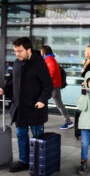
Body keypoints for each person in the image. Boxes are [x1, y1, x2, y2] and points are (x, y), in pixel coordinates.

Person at [0, 37, 53, 172]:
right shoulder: (17, 63)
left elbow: (48, 85)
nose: (17, 54)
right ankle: (24, 160)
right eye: (15, 51)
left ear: (28, 49)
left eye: (20, 51)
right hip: (20, 109)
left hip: (35, 108)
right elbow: (13, 83)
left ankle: (37, 161)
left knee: (37, 137)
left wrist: (42, 100)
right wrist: (4, 89)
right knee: (21, 134)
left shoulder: (39, 63)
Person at [41, 45, 73, 129]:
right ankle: (68, 121)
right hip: (54, 86)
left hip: (52, 86)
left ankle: (39, 123)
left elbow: (51, 72)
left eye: (41, 51)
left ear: (44, 51)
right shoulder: (50, 59)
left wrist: (44, 80)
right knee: (58, 104)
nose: (41, 53)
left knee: (42, 102)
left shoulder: (49, 59)